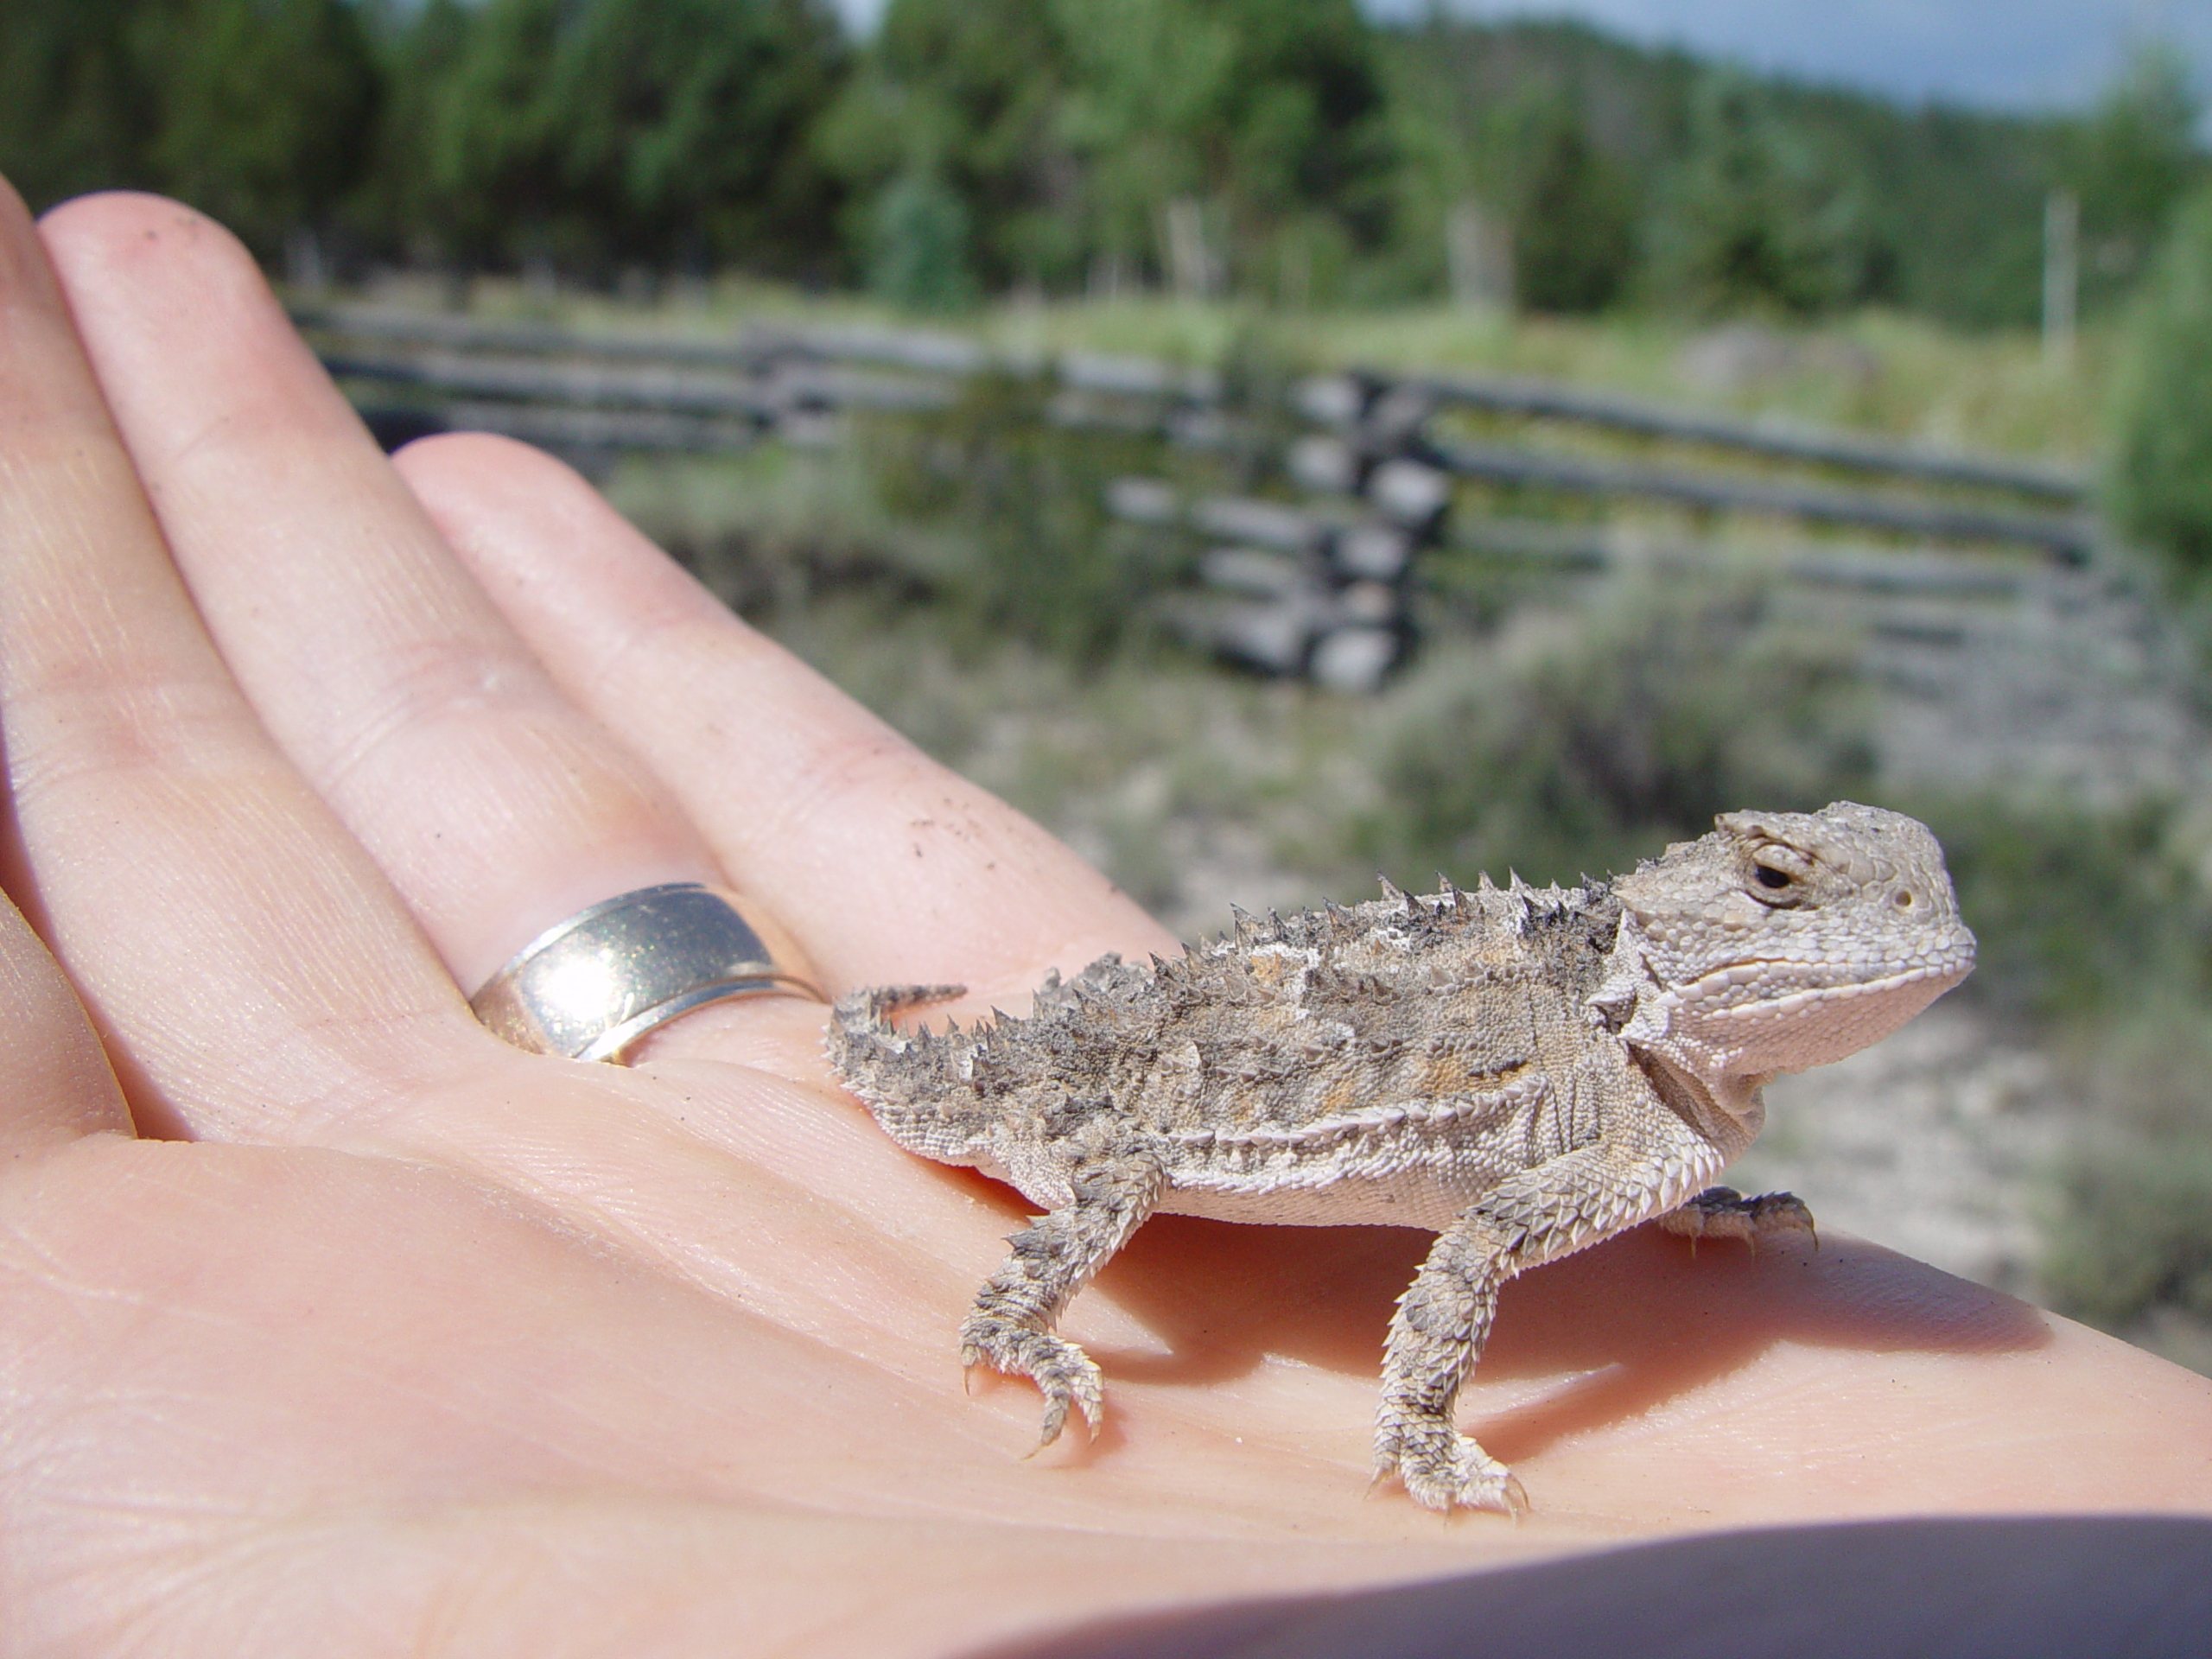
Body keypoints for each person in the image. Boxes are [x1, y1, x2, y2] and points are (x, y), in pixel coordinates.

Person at [1, 180, 2208, 1656]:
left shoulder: (1660, 1112)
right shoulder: (1601, 1100)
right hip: (1118, 1092)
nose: (1856, 928)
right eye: (1786, 886)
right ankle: (1003, 1314)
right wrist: (1419, 1432)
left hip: (1291, 1051)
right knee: (1103, 1148)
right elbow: (1455, 1250)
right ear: (1691, 912)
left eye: (1871, 895)